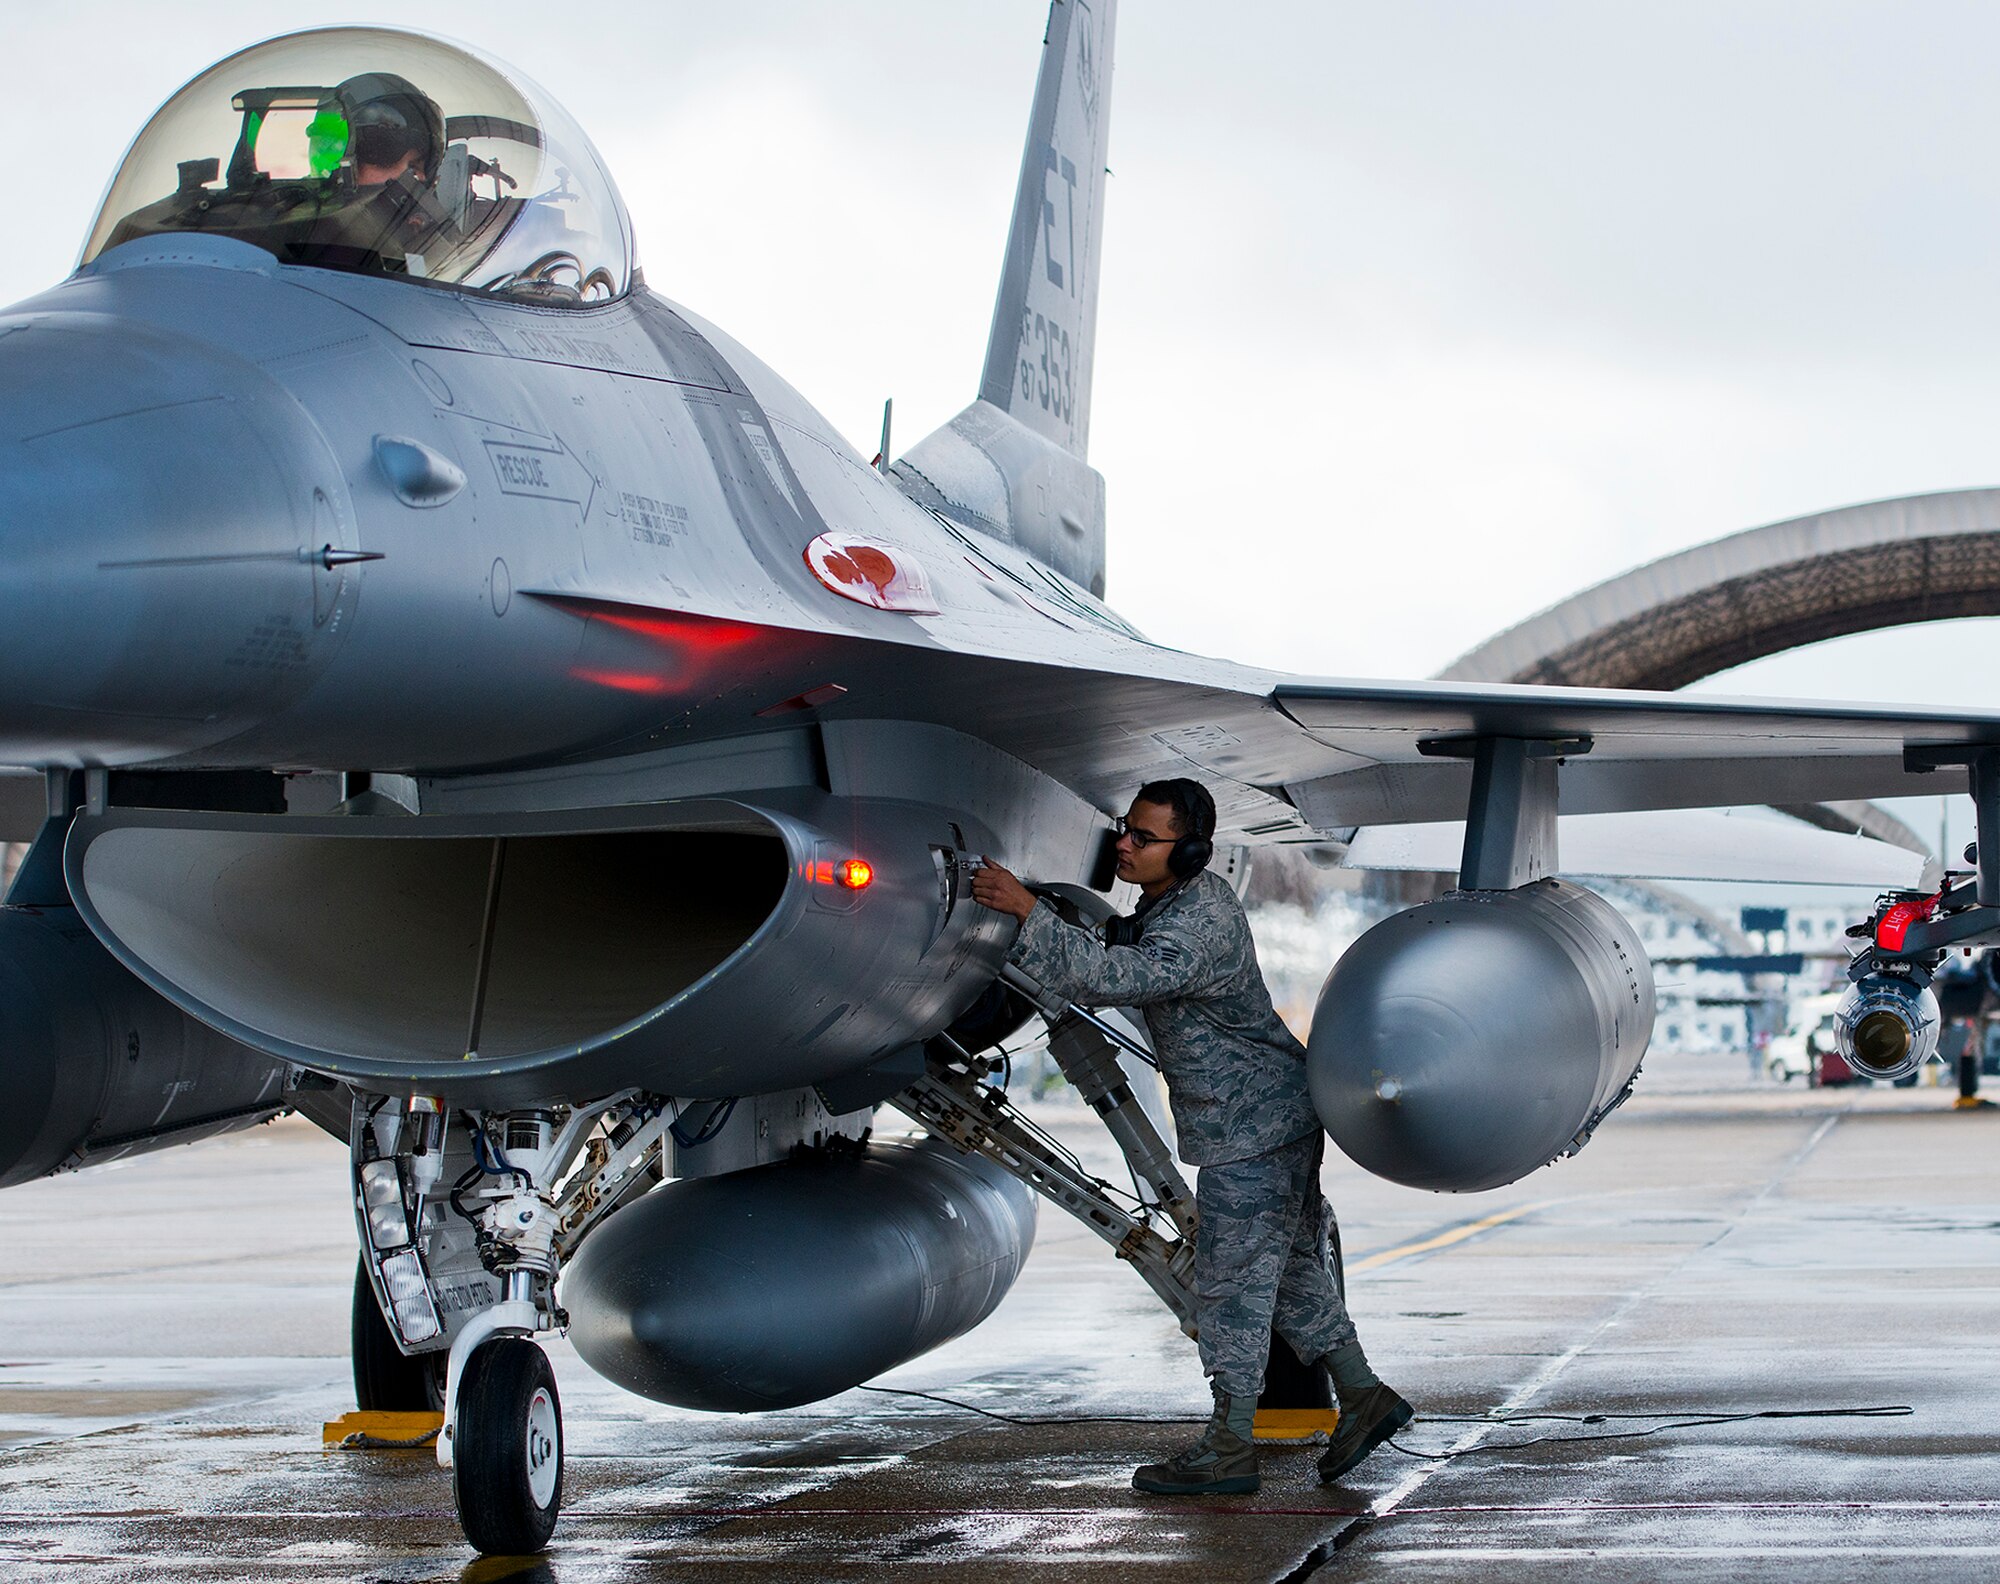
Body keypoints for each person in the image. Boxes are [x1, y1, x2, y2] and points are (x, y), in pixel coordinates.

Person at [972, 779, 1412, 1494]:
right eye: (1126, 829)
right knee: (1294, 1272)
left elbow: (1127, 975)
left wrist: (1029, 915)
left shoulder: (1199, 916)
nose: (1124, 843)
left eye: (1144, 838)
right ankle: (1364, 1399)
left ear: (1194, 849)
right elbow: (1128, 940)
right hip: (1265, 1118)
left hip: (1251, 1127)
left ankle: (1228, 1447)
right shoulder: (1170, 903)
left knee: (1232, 1288)